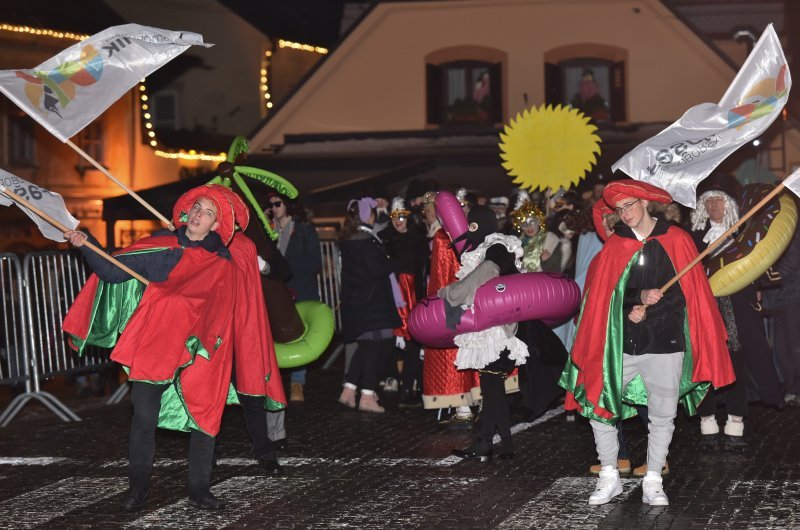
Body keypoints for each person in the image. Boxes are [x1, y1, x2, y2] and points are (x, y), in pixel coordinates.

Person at [63, 184, 247, 511]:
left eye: (208, 214)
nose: (198, 216)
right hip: (156, 343)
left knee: (206, 417)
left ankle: (199, 488)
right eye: (197, 208)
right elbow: (111, 270)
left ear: (215, 225)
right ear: (187, 212)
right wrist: (86, 243)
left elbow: (223, 306)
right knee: (144, 418)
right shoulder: (162, 248)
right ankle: (137, 488)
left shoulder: (221, 262)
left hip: (200, 347)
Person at [559, 179, 734, 507]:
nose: (625, 213)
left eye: (630, 205)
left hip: (665, 344)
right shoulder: (615, 245)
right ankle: (609, 474)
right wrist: (636, 299)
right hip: (621, 346)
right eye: (619, 208)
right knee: (599, 406)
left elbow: (690, 296)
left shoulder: (676, 239)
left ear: (645, 203)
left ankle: (653, 478)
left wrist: (654, 309)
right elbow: (603, 298)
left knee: (663, 415)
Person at [690, 181, 784, 451]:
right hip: (706, 309)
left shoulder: (744, 234)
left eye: (718, 200)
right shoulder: (696, 238)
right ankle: (707, 420)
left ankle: (735, 419)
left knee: (736, 362)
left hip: (736, 308)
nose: (713, 206)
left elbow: (757, 265)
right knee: (705, 363)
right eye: (708, 201)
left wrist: (755, 291)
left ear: (729, 204)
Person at [420, 191, 480, 426]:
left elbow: (439, 278)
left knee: (457, 353)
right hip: (470, 300)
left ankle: (465, 406)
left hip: (454, 301)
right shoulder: (463, 235)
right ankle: (469, 403)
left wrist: (436, 302)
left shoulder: (443, 237)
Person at [337, 197, 402, 413]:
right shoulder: (367, 242)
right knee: (377, 347)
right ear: (369, 215)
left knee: (366, 347)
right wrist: (395, 261)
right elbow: (377, 269)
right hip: (373, 304)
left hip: (358, 304)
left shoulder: (350, 240)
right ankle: (366, 395)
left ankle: (349, 389)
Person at [267, 192, 323, 403]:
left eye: (278, 203)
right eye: (271, 205)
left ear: (288, 205)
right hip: (277, 294)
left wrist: (287, 268)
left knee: (299, 336)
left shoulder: (304, 229)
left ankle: (297, 383)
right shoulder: (270, 230)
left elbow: (316, 262)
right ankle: (276, 383)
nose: (274, 207)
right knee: (276, 336)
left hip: (301, 290)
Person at [379, 197, 429, 406]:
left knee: (413, 344)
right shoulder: (384, 239)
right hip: (391, 296)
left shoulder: (418, 239)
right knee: (388, 343)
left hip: (414, 295)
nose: (398, 220)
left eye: (402, 216)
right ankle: (390, 383)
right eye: (394, 216)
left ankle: (408, 388)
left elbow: (424, 269)